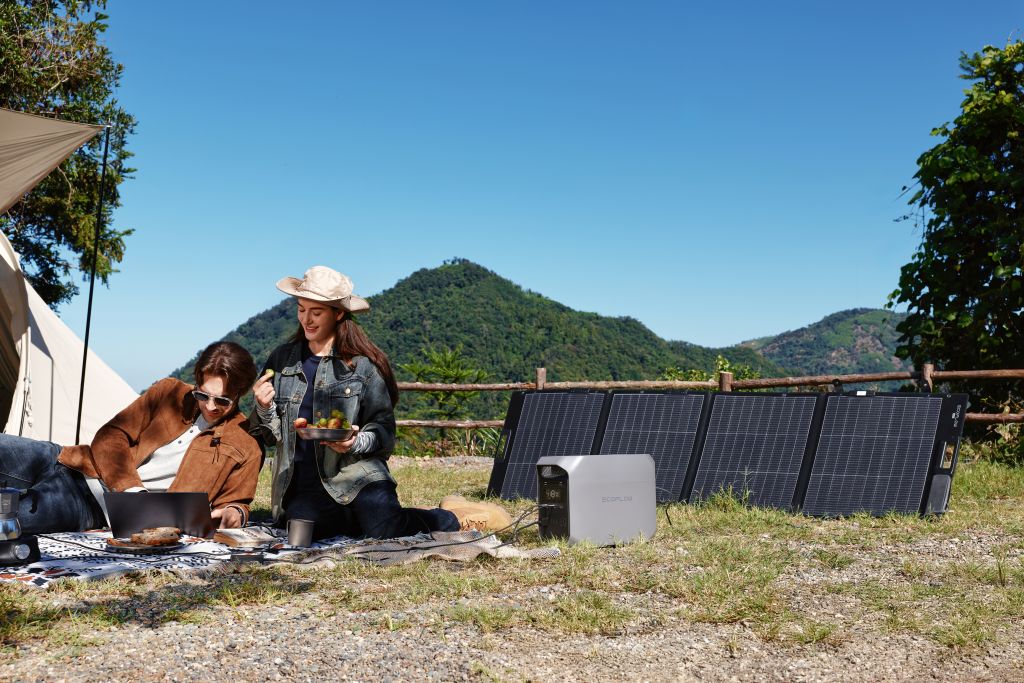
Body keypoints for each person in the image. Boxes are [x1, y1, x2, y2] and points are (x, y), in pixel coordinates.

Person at [252, 265, 510, 540]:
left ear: (338, 314)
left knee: (383, 529)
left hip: (358, 474)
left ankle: (453, 516)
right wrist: (263, 407)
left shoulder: (362, 367)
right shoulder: (281, 360)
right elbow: (269, 437)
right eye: (302, 309)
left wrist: (354, 442)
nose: (307, 319)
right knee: (307, 531)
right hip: (302, 484)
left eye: (316, 312)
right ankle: (389, 515)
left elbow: (384, 433)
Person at [0, 341, 262, 534]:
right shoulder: (169, 392)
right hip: (70, 460)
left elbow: (237, 504)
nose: (211, 406)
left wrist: (234, 513)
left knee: (6, 524)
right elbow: (111, 435)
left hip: (92, 505)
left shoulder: (245, 443)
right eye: (203, 395)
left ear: (241, 394)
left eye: (223, 400)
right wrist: (134, 490)